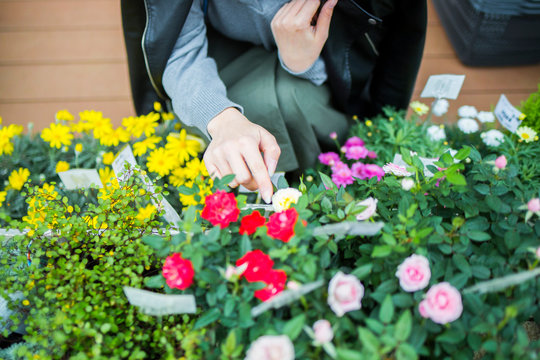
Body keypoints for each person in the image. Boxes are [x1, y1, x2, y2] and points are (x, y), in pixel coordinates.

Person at [121, 0, 427, 202]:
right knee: (251, 116)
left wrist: (302, 63)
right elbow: (179, 44)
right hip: (219, 56)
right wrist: (222, 118)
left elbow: (398, 47)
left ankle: (313, 192)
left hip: (325, 68)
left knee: (287, 97)